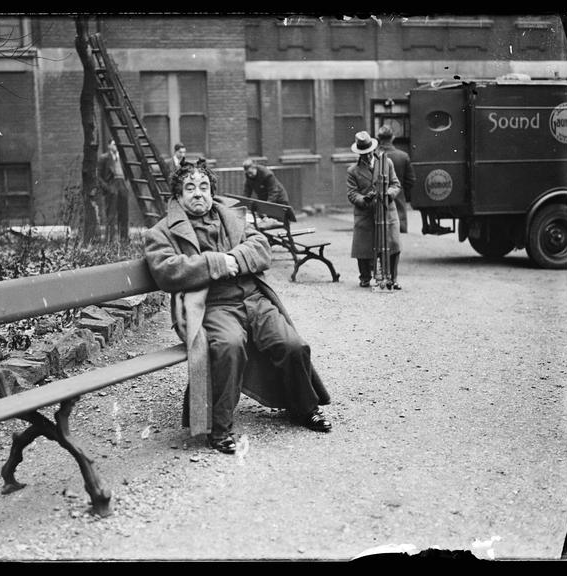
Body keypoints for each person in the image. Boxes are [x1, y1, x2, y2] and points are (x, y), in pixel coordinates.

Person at [144, 162, 332, 454]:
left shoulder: (230, 217)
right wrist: (217, 263)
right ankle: (219, 429)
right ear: (178, 195)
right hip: (213, 305)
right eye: (189, 188)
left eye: (204, 187)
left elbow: (260, 246)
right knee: (228, 346)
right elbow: (166, 270)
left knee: (293, 345)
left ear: (211, 191)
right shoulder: (162, 231)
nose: (198, 194)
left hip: (253, 298)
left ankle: (304, 408)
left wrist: (234, 258)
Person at [346, 131, 403, 289]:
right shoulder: (353, 171)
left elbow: (395, 184)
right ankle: (365, 277)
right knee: (363, 246)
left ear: (373, 149)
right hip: (365, 213)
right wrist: (364, 199)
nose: (367, 156)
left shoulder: (387, 163)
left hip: (386, 211)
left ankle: (392, 278)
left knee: (392, 244)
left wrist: (387, 195)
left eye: (368, 152)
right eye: (363, 154)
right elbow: (351, 194)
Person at [376, 125, 416, 234]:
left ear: (378, 138)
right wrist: (402, 194)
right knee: (399, 234)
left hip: (376, 201)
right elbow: (410, 180)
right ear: (392, 137)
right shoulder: (403, 156)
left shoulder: (374, 156)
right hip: (398, 199)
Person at [97, 139, 129, 242]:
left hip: (122, 186)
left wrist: (125, 186)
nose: (116, 147)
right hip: (112, 186)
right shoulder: (104, 158)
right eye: (114, 144)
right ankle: (110, 241)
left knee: (124, 215)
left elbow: (127, 174)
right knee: (111, 216)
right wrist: (108, 188)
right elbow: (98, 176)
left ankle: (124, 240)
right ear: (109, 146)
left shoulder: (122, 158)